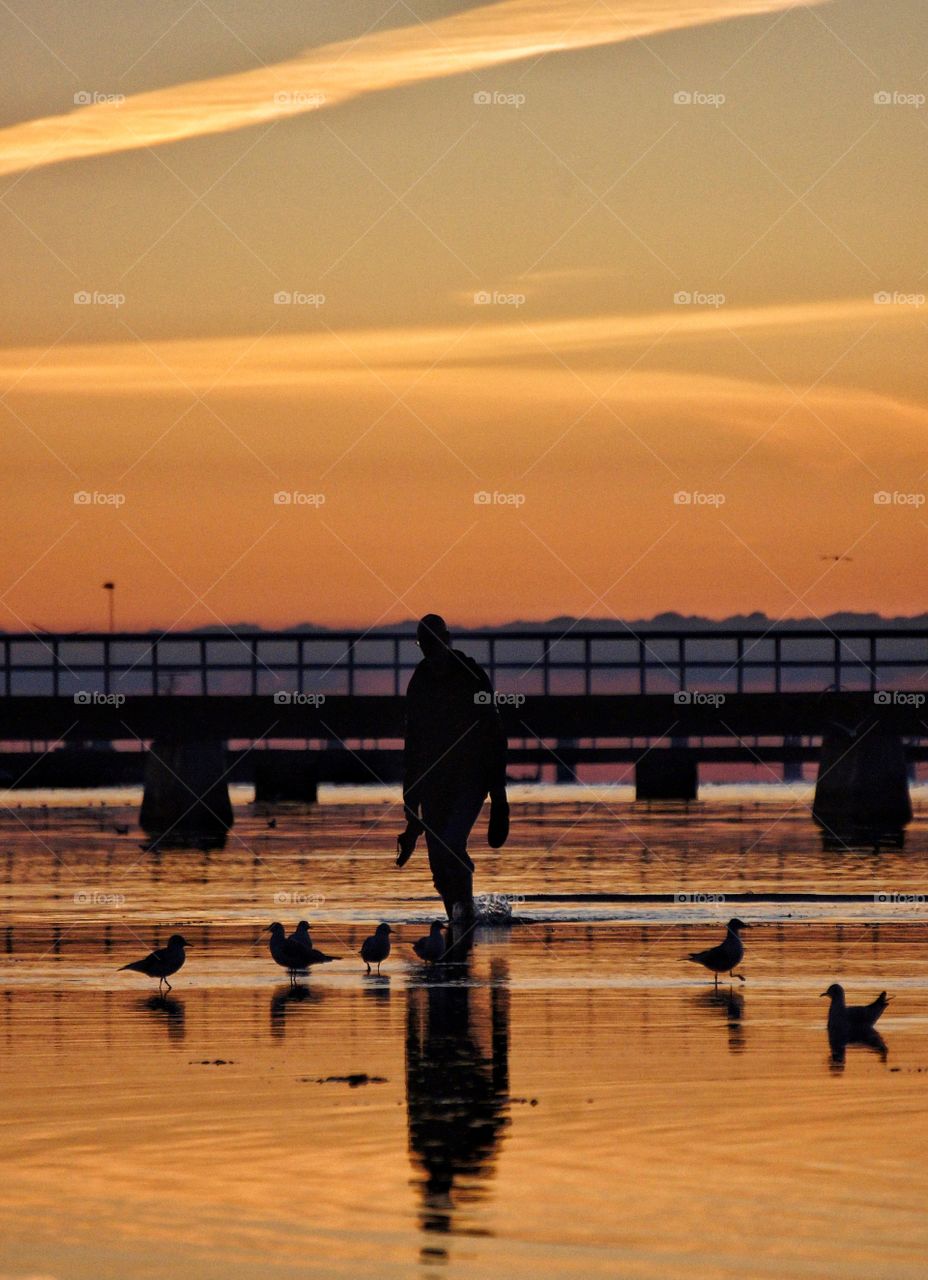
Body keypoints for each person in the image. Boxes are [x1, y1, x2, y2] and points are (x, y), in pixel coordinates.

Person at [396, 614, 509, 925]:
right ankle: (462, 921)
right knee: (439, 868)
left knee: (450, 848)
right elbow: (413, 746)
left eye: (433, 645)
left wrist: (499, 798)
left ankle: (465, 924)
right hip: (434, 783)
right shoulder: (419, 683)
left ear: (446, 641)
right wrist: (411, 813)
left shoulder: (471, 676)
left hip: (471, 778)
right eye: (423, 646)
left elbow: (494, 732)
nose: (429, 653)